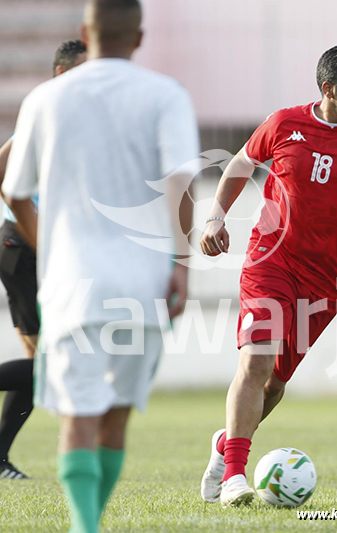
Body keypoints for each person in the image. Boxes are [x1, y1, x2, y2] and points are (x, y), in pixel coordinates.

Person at [2, 0, 199, 530]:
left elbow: (14, 192)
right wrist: (181, 264)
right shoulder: (166, 94)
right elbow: (183, 183)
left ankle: (84, 527)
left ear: (84, 35)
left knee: (78, 415)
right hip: (144, 281)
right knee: (115, 416)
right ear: (139, 37)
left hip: (73, 285)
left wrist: (49, 247)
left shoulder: (46, 99)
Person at [200, 44, 337, 507]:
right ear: (328, 88)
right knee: (255, 362)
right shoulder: (284, 124)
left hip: (326, 280)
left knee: (275, 384)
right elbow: (240, 163)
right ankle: (236, 476)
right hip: (270, 262)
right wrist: (216, 215)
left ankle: (225, 447)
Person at [0, 39, 87, 480]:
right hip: (23, 246)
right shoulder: (49, 117)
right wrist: (31, 228)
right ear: (60, 74)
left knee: (41, 368)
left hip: (34, 249)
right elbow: (3, 170)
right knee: (48, 365)